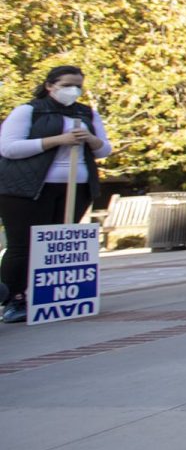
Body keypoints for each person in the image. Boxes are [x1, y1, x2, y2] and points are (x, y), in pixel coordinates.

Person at [0, 66, 112, 325]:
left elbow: (104, 149)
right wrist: (57, 140)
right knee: (23, 245)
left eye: (78, 85)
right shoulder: (30, 110)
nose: (74, 90)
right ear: (50, 85)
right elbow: (8, 148)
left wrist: (92, 140)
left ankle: (49, 296)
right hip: (28, 189)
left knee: (57, 242)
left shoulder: (86, 113)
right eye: (67, 84)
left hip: (76, 187)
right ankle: (14, 298)